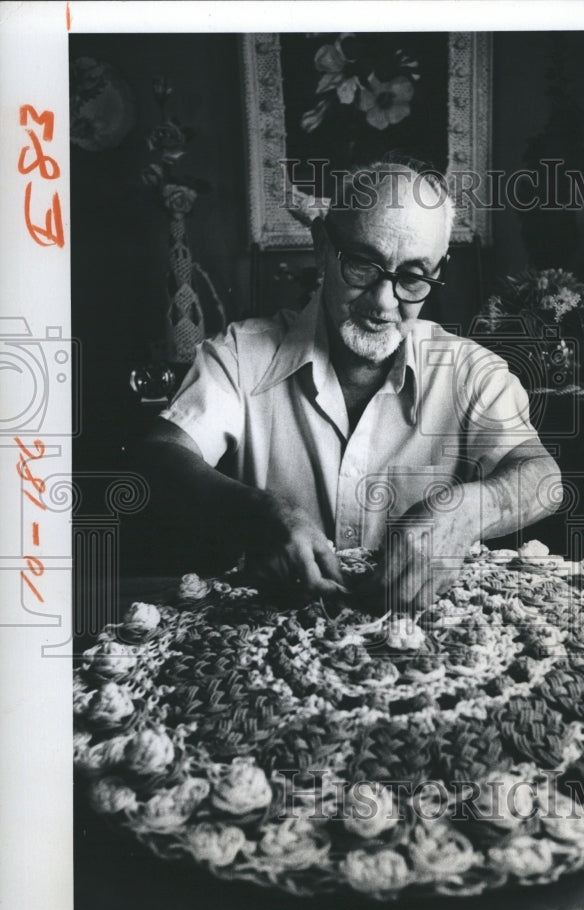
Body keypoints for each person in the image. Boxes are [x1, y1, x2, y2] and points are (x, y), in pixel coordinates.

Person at [141, 159, 561, 610]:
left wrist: (468, 511)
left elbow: (543, 479)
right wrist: (258, 513)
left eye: (413, 277)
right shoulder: (240, 356)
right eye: (362, 264)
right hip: (265, 635)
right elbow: (161, 456)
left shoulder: (469, 370)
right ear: (322, 245)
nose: (384, 302)